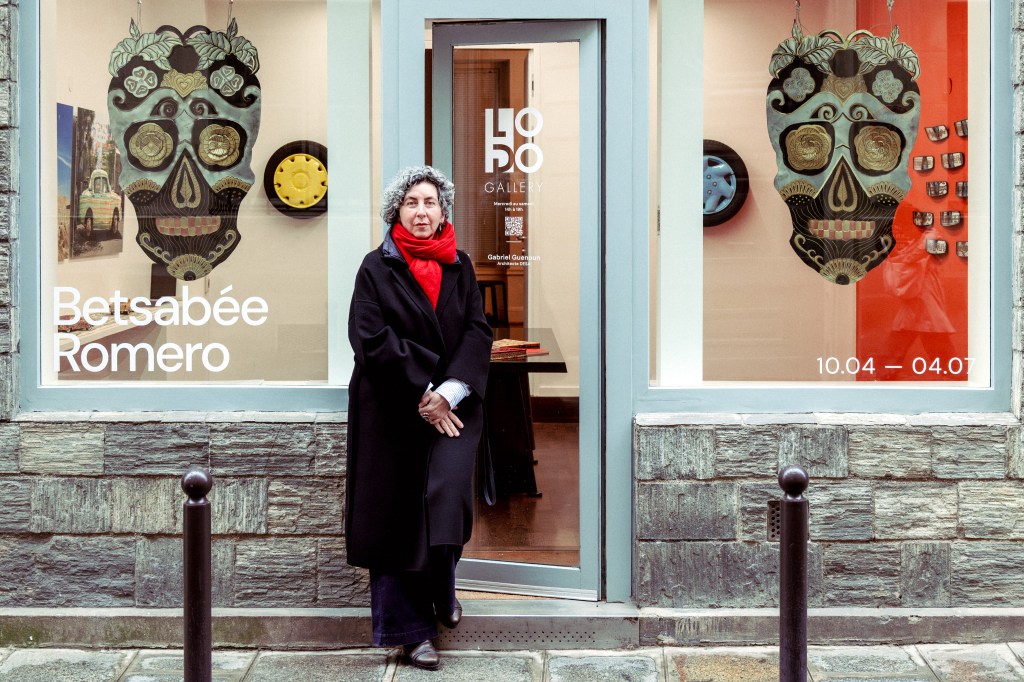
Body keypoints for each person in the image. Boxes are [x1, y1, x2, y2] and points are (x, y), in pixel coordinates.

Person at [345, 165, 492, 671]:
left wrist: (449, 392)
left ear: (443, 210)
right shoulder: (375, 267)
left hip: (451, 406)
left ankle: (441, 588)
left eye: (430, 201)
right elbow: (369, 337)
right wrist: (422, 388)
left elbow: (477, 330)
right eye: (412, 202)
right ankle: (410, 633)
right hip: (391, 407)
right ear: (397, 212)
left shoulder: (460, 266)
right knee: (396, 519)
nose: (422, 211)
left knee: (447, 495)